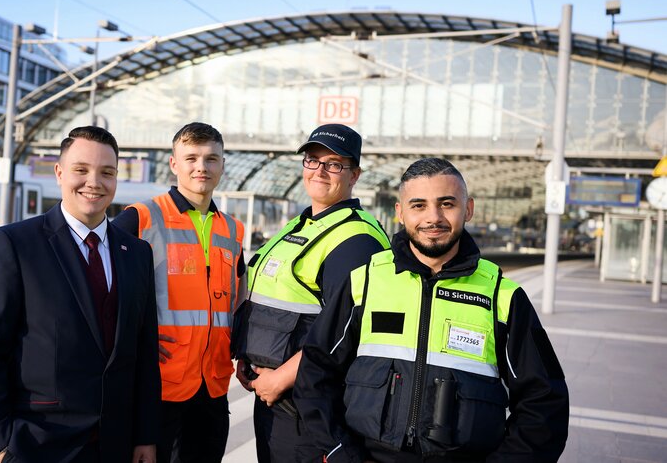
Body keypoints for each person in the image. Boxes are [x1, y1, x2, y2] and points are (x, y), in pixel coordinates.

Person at [294, 158, 569, 463]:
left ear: (468, 209)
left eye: (446, 204)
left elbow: (544, 403)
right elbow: (316, 370)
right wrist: (340, 453)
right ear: (400, 213)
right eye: (419, 205)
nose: (433, 217)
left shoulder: (502, 296)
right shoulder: (365, 282)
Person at [0, 126, 161, 463]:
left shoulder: (137, 252)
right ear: (59, 172)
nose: (93, 182)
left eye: (106, 173)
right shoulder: (15, 244)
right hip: (37, 444)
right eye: (81, 170)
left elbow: (144, 354)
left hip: (117, 445)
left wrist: (145, 436)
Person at [232, 124, 390, 463]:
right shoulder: (300, 225)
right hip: (278, 399)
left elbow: (347, 330)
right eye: (312, 160)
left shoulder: (356, 241)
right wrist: (250, 357)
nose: (319, 171)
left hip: (310, 407)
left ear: (355, 174)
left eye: (333, 164)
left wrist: (279, 379)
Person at [113, 122, 245, 463]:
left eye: (211, 158)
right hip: (160, 387)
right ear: (174, 164)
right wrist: (134, 340)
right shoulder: (140, 219)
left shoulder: (232, 229)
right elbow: (102, 286)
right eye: (191, 158)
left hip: (213, 386)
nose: (202, 166)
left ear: (222, 165)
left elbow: (239, 292)